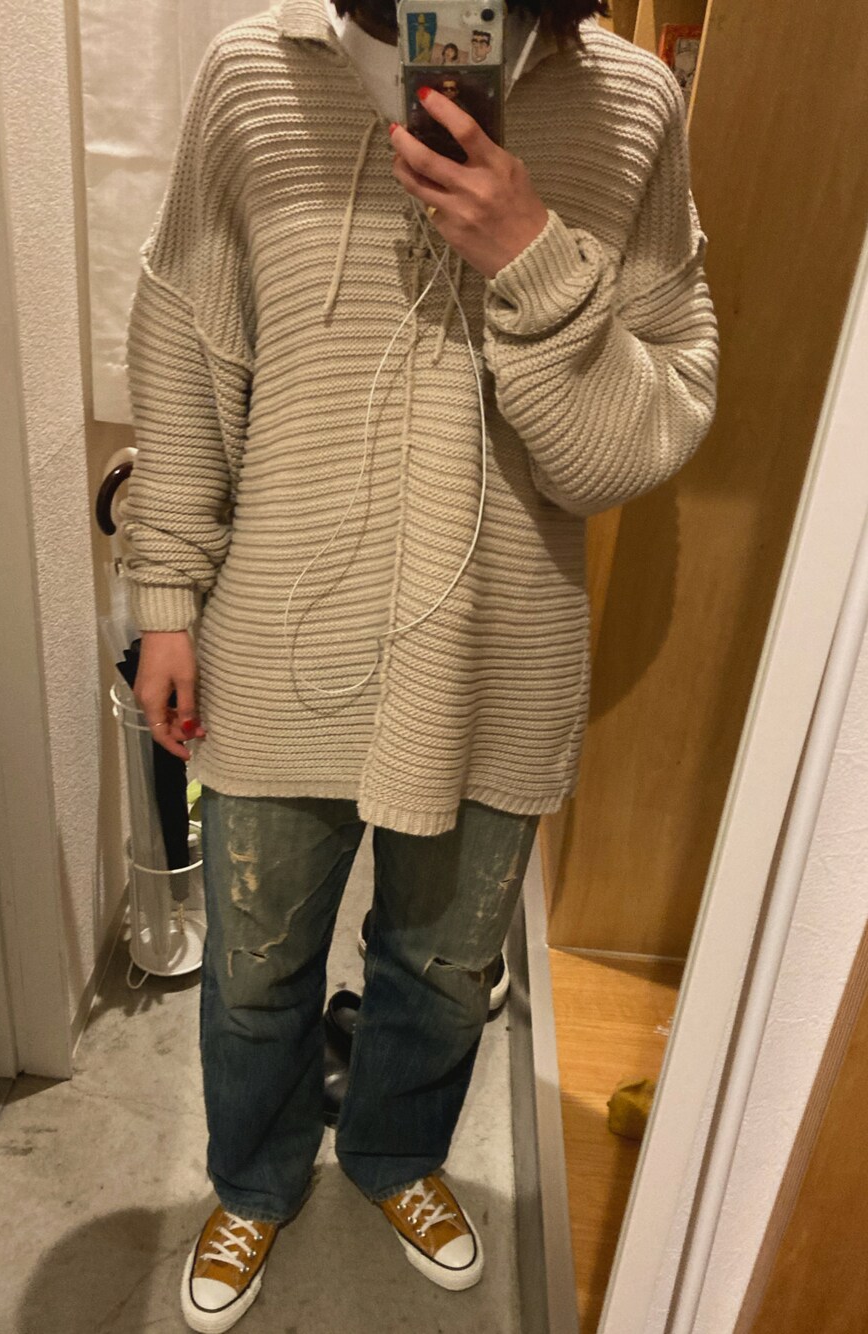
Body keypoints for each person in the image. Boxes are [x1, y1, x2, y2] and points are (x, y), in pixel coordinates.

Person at [121, 0, 719, 1327]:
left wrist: (533, 258)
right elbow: (184, 351)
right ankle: (257, 1174)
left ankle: (395, 1151)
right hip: (280, 640)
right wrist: (166, 597)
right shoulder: (256, 82)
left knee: (445, 975)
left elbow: (639, 434)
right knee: (255, 969)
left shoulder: (630, 110)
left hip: (500, 654)